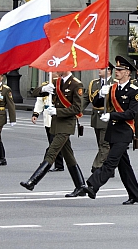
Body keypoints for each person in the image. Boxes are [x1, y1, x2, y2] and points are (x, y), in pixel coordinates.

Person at [79, 56, 138, 204]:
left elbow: (131, 113)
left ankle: (92, 185)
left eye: (120, 70)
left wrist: (112, 115)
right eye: (117, 69)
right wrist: (101, 94)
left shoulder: (134, 91)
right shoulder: (112, 88)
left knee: (110, 162)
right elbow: (95, 103)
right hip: (113, 132)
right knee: (124, 166)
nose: (117, 72)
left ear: (128, 73)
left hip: (125, 131)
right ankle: (135, 194)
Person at [21, 68, 88, 197]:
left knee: (52, 152)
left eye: (59, 66)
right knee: (69, 156)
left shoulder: (76, 84)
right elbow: (35, 93)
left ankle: (33, 181)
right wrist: (44, 89)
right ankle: (80, 186)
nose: (56, 70)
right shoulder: (55, 82)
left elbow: (76, 108)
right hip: (56, 123)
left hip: (66, 124)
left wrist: (58, 112)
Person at [31, 73, 65, 172]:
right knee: (54, 143)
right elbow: (40, 101)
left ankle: (46, 162)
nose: (53, 72)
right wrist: (36, 113)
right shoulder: (46, 85)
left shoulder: (63, 85)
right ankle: (59, 165)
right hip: (47, 117)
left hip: (58, 116)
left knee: (53, 143)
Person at [87, 65, 113, 174]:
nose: (99, 70)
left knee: (104, 144)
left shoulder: (115, 83)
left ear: (109, 71)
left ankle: (97, 167)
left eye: (102, 69)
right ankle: (109, 168)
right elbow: (88, 99)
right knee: (100, 144)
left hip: (108, 116)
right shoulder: (94, 83)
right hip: (96, 117)